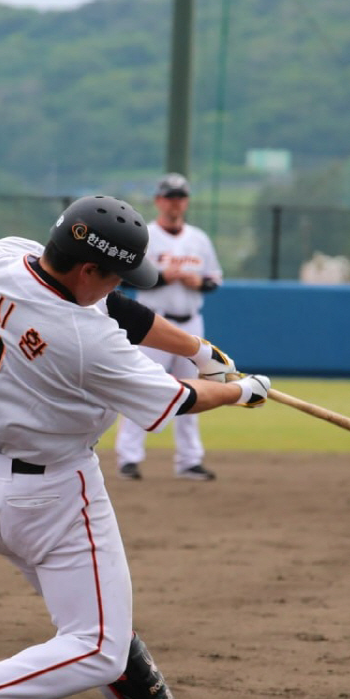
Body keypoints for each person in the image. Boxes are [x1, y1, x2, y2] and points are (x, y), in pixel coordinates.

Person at [0, 194, 272, 699]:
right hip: (54, 495)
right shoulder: (83, 340)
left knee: (100, 625)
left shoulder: (0, 257)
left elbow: (119, 310)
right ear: (86, 270)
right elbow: (173, 401)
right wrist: (241, 390)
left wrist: (199, 350)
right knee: (99, 643)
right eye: (112, 275)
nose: (118, 287)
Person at [114, 172, 225, 482]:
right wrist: (166, 276)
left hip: (191, 321)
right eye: (169, 197)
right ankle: (129, 459)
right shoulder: (145, 236)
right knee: (140, 389)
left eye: (179, 197)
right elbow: (125, 276)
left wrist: (198, 281)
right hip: (153, 324)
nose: (174, 203)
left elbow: (215, 279)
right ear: (158, 201)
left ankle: (190, 461)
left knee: (194, 387)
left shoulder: (199, 239)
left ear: (186, 202)